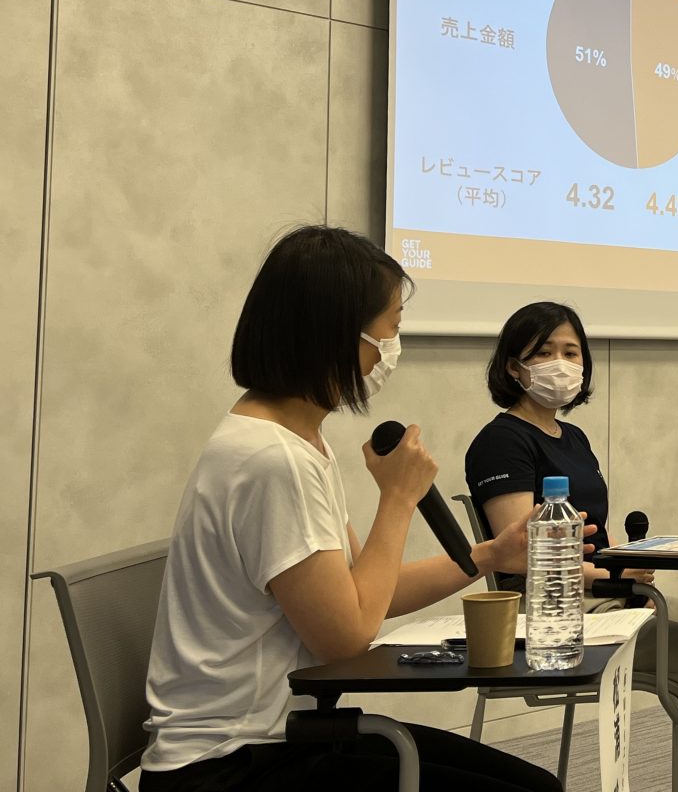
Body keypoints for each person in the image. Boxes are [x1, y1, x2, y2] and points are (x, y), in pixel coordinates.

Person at [139, 226, 563, 792]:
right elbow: (345, 639)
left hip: (285, 740)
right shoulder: (271, 459)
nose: (394, 345)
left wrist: (488, 555)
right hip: (230, 766)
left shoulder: (297, 442)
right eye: (392, 326)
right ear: (340, 334)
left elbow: (368, 592)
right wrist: (397, 498)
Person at [465, 302, 678, 792]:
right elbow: (525, 557)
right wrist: (614, 578)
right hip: (556, 615)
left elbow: (597, 536)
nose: (560, 363)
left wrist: (633, 567)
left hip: (613, 597)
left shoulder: (573, 437)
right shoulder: (501, 441)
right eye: (544, 352)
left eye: (571, 352)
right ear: (513, 366)